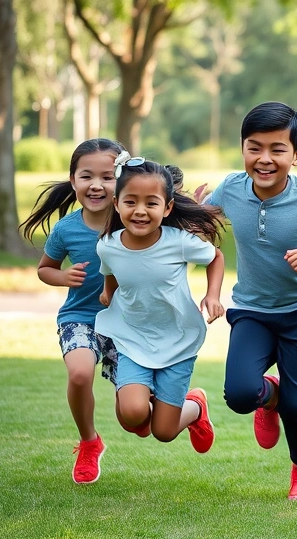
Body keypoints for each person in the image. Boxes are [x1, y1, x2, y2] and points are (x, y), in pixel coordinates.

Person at [198, 102, 297, 500]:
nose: (264, 159)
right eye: (254, 147)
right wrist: (190, 212)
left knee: (296, 404)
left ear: (296, 155)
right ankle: (268, 396)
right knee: (241, 395)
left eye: (277, 149)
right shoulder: (231, 187)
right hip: (252, 310)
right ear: (243, 148)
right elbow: (203, 222)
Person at [95, 156, 223, 455]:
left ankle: (196, 406)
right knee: (133, 416)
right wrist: (107, 292)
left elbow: (215, 256)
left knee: (163, 432)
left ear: (167, 208)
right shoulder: (108, 244)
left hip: (178, 340)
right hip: (131, 337)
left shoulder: (179, 241)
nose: (140, 211)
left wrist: (213, 295)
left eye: (151, 203)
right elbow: (111, 270)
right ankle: (137, 395)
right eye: (131, 202)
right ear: (116, 204)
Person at [19, 138, 124, 484]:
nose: (96, 185)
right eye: (86, 176)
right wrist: (62, 275)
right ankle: (89, 441)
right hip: (80, 318)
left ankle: (191, 405)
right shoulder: (66, 229)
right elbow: (44, 268)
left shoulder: (134, 220)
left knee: (139, 418)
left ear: (121, 179)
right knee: (80, 374)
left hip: (127, 325)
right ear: (73, 180)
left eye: (108, 177)